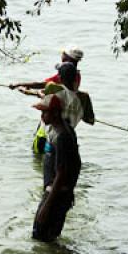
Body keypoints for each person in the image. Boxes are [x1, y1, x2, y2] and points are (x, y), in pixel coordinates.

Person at [32, 93, 81, 242]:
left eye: (44, 112)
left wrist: (47, 206)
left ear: (55, 113)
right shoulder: (60, 130)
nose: (42, 116)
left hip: (56, 196)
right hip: (57, 194)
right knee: (47, 239)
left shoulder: (62, 137)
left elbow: (62, 173)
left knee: (41, 237)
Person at [10, 45, 84, 91]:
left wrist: (18, 84)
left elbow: (42, 84)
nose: (62, 55)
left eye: (63, 53)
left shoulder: (64, 74)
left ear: (67, 57)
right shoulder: (77, 74)